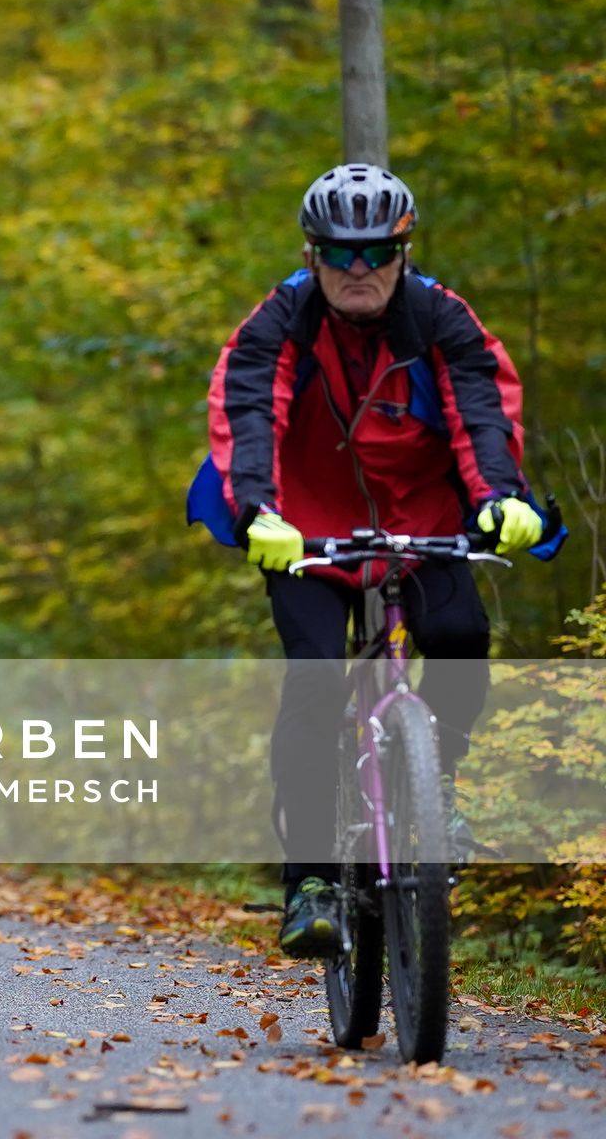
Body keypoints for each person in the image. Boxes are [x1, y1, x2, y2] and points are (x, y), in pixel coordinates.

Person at [191, 163, 560, 958]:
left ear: (404, 252)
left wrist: (498, 496)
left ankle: (439, 782)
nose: (359, 272)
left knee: (460, 636)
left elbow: (481, 412)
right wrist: (259, 512)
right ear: (312, 254)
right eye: (339, 255)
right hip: (306, 532)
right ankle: (312, 882)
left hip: (420, 522)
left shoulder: (441, 320)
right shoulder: (279, 323)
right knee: (318, 682)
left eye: (376, 255)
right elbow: (251, 413)